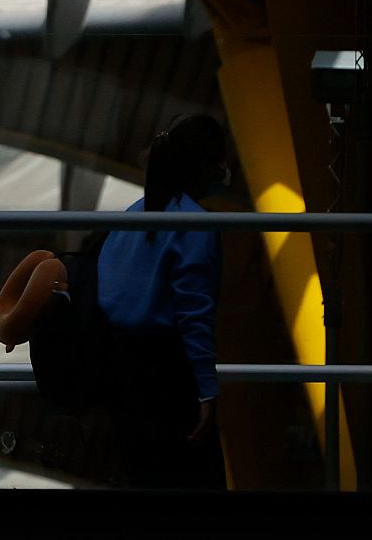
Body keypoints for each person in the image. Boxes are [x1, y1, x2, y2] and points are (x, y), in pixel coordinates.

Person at [96, 113, 228, 490]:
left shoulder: (132, 216)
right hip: (168, 377)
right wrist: (207, 391)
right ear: (204, 164)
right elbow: (194, 315)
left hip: (122, 376)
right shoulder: (196, 224)